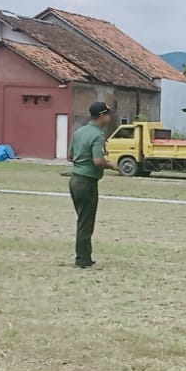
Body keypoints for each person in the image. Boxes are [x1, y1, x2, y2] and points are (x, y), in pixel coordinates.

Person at [69, 101, 114, 268]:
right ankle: (82, 259)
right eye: (108, 115)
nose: (109, 118)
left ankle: (85, 256)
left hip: (75, 180)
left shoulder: (79, 132)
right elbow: (98, 161)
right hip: (87, 182)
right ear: (101, 116)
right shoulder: (97, 135)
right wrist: (111, 165)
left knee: (83, 219)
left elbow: (70, 156)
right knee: (86, 222)